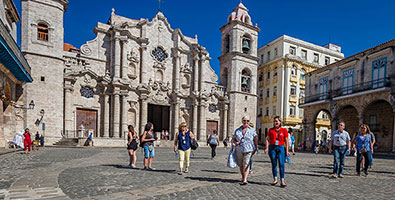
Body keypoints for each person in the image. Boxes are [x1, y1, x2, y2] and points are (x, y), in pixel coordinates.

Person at [265, 116, 289, 187]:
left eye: (277, 121)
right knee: (274, 164)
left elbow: (286, 141)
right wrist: (266, 147)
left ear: (280, 122)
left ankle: (282, 180)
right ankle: (275, 179)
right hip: (272, 147)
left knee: (281, 164)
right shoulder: (271, 130)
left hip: (281, 147)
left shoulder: (284, 130)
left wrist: (287, 151)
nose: (275, 122)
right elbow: (267, 139)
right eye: (274, 121)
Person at [233, 116, 258, 185]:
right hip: (239, 149)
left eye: (247, 121)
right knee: (241, 164)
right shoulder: (237, 130)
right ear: (242, 121)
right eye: (244, 120)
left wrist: (256, 148)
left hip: (249, 149)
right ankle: (243, 176)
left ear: (249, 122)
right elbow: (234, 138)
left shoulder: (252, 130)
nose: (246, 122)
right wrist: (235, 142)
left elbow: (255, 139)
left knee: (246, 163)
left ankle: (245, 179)